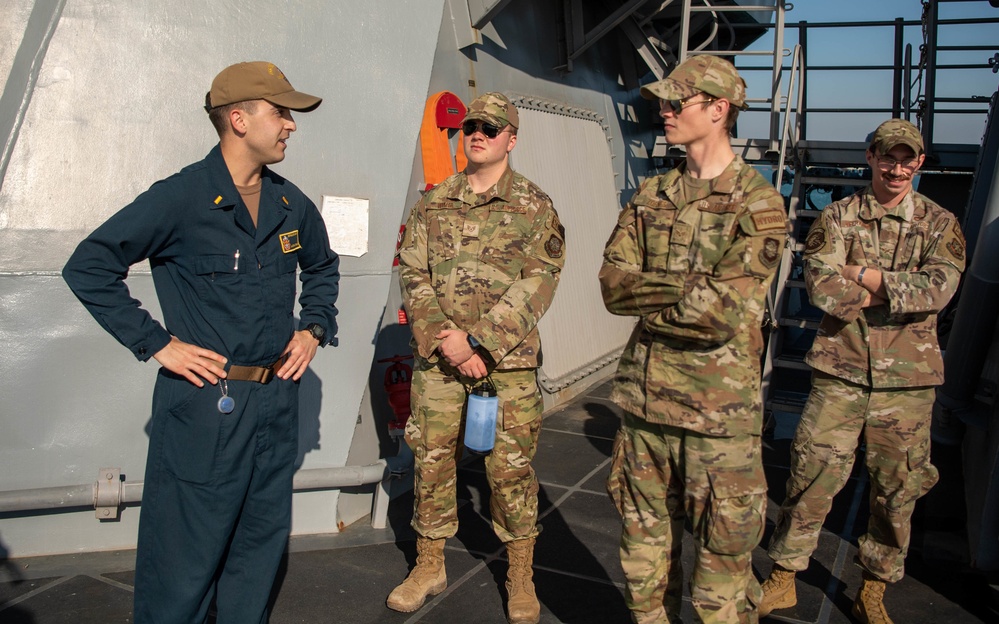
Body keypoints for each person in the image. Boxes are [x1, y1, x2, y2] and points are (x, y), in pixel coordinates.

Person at [62, 61, 340, 624]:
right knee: (182, 561)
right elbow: (89, 265)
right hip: (206, 408)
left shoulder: (291, 204)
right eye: (280, 112)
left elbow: (323, 268)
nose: (291, 126)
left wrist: (313, 328)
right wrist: (157, 344)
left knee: (257, 550)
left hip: (273, 405)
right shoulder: (182, 198)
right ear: (239, 119)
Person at [599, 55, 787, 624]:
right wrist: (685, 288)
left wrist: (652, 300)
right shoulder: (652, 195)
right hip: (646, 411)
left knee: (721, 577)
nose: (665, 110)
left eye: (677, 102)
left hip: (717, 418)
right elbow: (612, 285)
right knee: (642, 565)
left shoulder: (759, 204)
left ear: (718, 109)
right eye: (664, 101)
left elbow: (721, 313)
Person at [758, 119, 965, 624]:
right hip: (841, 372)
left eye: (907, 159)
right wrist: (898, 289)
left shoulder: (941, 224)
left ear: (918, 163)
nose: (896, 168)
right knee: (811, 474)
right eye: (887, 157)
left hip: (908, 383)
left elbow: (938, 289)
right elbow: (822, 287)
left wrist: (867, 277)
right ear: (871, 157)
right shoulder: (837, 217)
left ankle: (874, 586)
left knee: (898, 489)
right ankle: (785, 575)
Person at [389, 92, 565, 624]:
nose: (478, 133)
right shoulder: (434, 200)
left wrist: (480, 342)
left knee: (509, 471)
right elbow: (412, 270)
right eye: (471, 126)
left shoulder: (535, 207)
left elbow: (540, 281)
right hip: (440, 361)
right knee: (432, 461)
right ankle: (429, 565)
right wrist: (445, 338)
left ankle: (519, 573)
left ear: (512, 138)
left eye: (491, 127)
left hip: (504, 365)